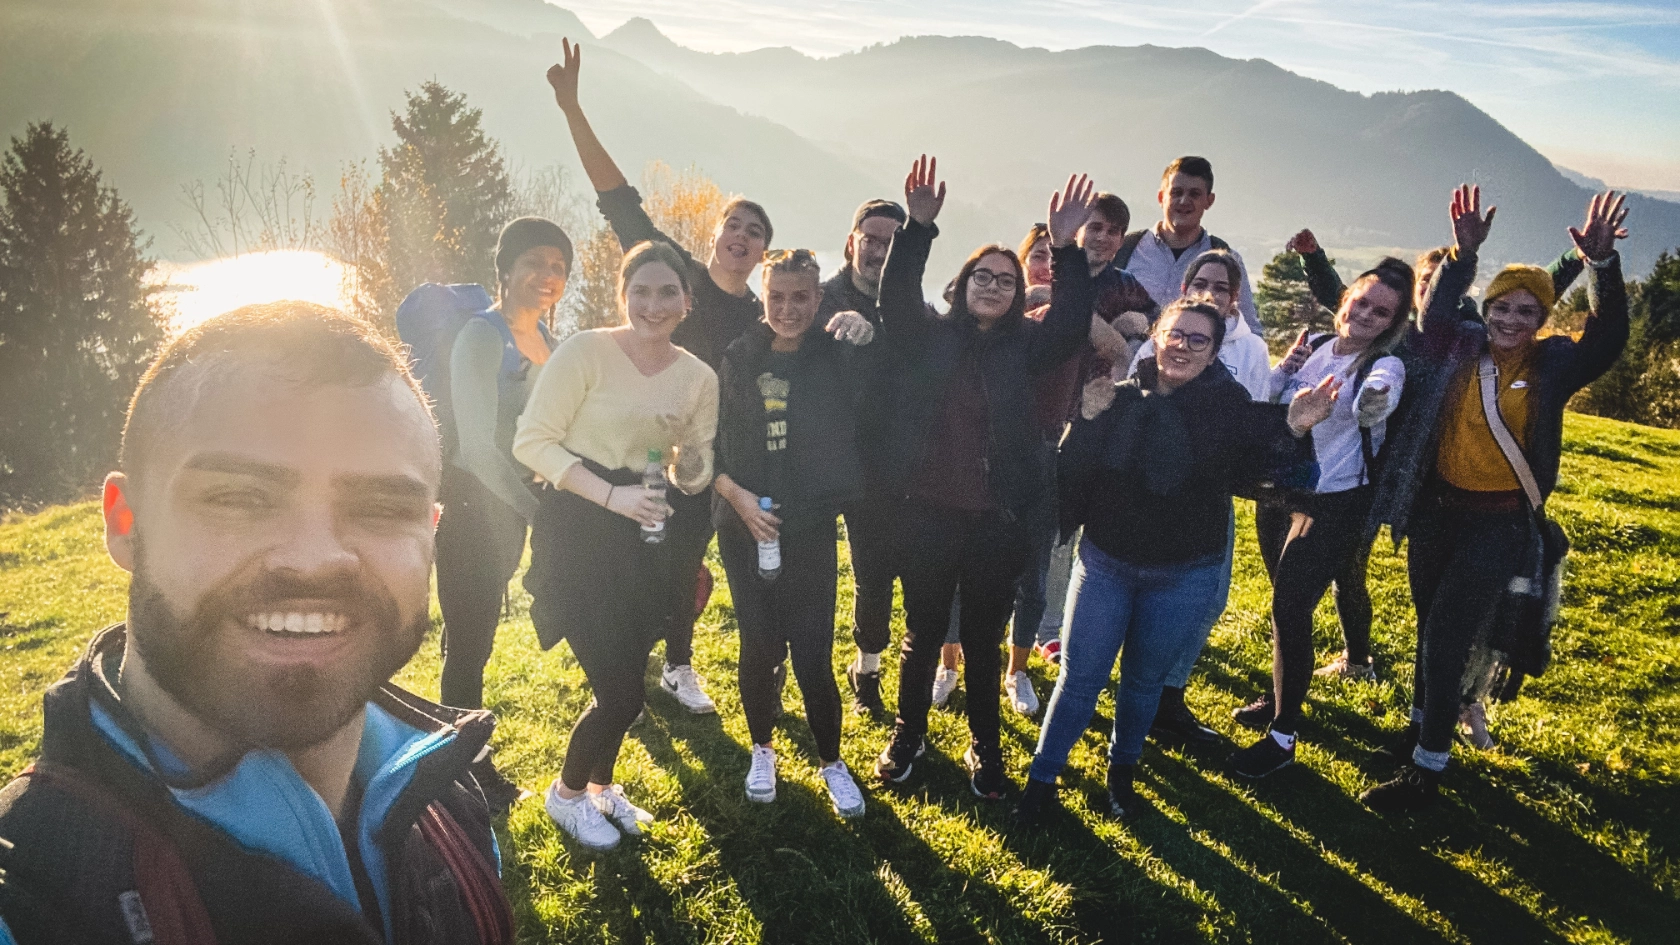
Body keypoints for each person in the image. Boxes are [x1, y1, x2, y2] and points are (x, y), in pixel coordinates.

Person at [0, 303, 514, 941]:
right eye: (239, 498)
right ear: (125, 521)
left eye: (382, 508)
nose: (312, 559)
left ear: (429, 535)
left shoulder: (447, 800)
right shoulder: (28, 900)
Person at [1015, 300, 1339, 824]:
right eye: (1176, 334)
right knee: (1080, 678)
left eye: (1198, 340)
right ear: (1156, 337)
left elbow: (1262, 470)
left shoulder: (1229, 409)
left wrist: (1295, 429)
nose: (1183, 347)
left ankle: (1122, 773)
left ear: (1214, 354)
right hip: (1106, 564)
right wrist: (1088, 421)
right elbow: (1070, 481)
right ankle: (1042, 778)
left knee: (1144, 683)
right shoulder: (1116, 400)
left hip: (1183, 572)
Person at [1360, 186, 1630, 812]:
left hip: (1500, 522)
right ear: (1487, 310)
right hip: (1437, 514)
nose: (1511, 322)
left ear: (1542, 320)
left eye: (1525, 313)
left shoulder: (1555, 365)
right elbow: (1431, 312)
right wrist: (1460, 256)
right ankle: (1419, 731)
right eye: (1501, 310)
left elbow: (1609, 335)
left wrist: (1602, 268)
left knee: (1448, 635)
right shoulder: (1459, 345)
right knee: (1431, 627)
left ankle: (1429, 769)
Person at [550, 39, 769, 714]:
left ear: (763, 252)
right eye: (733, 221)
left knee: (678, 564)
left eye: (755, 229)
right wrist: (571, 107)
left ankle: (677, 664)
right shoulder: (675, 271)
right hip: (630, 447)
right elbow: (617, 199)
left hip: (697, 464)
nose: (741, 233)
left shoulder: (761, 320)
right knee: (630, 562)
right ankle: (620, 679)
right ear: (715, 237)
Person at [871, 156, 1097, 800]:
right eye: (983, 276)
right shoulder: (931, 338)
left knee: (982, 639)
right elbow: (895, 298)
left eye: (1006, 279)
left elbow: (1074, 322)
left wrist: (1066, 247)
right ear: (964, 282)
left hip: (999, 521)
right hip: (929, 515)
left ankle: (984, 747)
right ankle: (907, 736)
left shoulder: (1030, 347)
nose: (994, 285)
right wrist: (917, 228)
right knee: (923, 633)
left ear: (1019, 291)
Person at [1282, 226, 1590, 696]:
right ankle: (1359, 657)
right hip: (1380, 464)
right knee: (1350, 570)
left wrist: (1575, 257)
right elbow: (1342, 297)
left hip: (1421, 472)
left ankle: (1458, 696)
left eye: (1434, 283)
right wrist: (1313, 256)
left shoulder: (1461, 333)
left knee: (1434, 602)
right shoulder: (1399, 331)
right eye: (1421, 285)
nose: (1427, 292)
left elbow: (1528, 293)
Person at [513, 240, 719, 850]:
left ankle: (602, 787)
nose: (652, 305)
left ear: (686, 300)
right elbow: (532, 443)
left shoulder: (698, 376)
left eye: (666, 292)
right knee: (620, 690)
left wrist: (693, 468)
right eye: (640, 291)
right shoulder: (585, 352)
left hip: (648, 532)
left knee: (630, 671)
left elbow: (694, 468)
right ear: (622, 295)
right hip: (579, 529)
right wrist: (612, 497)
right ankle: (566, 794)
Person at [1226, 259, 1414, 778]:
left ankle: (1283, 739)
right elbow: (1268, 402)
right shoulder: (1319, 348)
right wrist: (1285, 370)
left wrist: (1375, 397)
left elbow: (1379, 398)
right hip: (1281, 495)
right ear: (1346, 296)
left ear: (1393, 323)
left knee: (1290, 607)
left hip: (1332, 503)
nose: (1367, 315)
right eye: (1362, 301)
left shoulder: (1384, 364)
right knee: (1284, 606)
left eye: (1382, 312)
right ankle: (1280, 696)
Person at [714, 249, 877, 817]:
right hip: (743, 526)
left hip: (808, 527)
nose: (787, 308)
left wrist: (868, 331)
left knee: (812, 653)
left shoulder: (838, 355)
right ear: (763, 295)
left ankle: (831, 759)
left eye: (800, 297)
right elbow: (707, 445)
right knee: (759, 645)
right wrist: (738, 501)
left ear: (819, 297)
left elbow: (881, 399)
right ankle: (763, 749)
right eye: (776, 296)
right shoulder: (737, 356)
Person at [1004, 205, 1159, 716]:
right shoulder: (1012, 291)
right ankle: (962, 652)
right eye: (1095, 227)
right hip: (1013, 427)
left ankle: (1041, 638)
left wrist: (1121, 323)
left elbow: (1132, 346)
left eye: (1115, 231)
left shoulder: (1126, 287)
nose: (1105, 237)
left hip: (1088, 422)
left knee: (1057, 534)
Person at [1129, 249, 1272, 745]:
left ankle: (1169, 693)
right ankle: (1139, 692)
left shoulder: (1250, 349)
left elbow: (1250, 417)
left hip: (1210, 492)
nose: (1210, 293)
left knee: (1206, 598)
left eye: (1221, 286)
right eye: (1201, 283)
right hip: (1147, 488)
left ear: (1236, 297)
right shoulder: (1160, 341)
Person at [435, 218, 567, 718]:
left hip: (511, 512)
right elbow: (476, 448)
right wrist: (538, 510)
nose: (547, 274)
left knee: (473, 636)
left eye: (557, 266)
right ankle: (464, 771)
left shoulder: (549, 342)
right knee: (470, 649)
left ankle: (455, 746)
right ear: (505, 270)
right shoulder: (481, 336)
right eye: (534, 261)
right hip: (475, 509)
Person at [816, 198, 910, 716]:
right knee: (801, 568)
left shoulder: (908, 307)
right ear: (852, 240)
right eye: (871, 238)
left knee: (874, 570)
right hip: (815, 459)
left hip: (878, 466)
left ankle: (867, 666)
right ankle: (783, 661)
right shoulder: (819, 296)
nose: (878, 250)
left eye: (891, 242)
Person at [1116, 156, 1262, 335]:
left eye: (1194, 194)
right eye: (1176, 193)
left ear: (1209, 201)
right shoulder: (1124, 248)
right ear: (1161, 197)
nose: (1184, 201)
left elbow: (1250, 332)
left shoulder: (1228, 261)